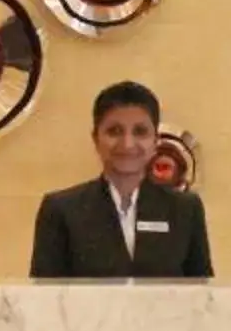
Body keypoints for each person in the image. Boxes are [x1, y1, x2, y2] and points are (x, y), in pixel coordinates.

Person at [29, 79, 213, 279]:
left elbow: (203, 298)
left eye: (140, 132)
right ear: (96, 139)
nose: (127, 144)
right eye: (114, 131)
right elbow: (43, 300)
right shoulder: (61, 210)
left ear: (155, 141)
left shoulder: (185, 209)